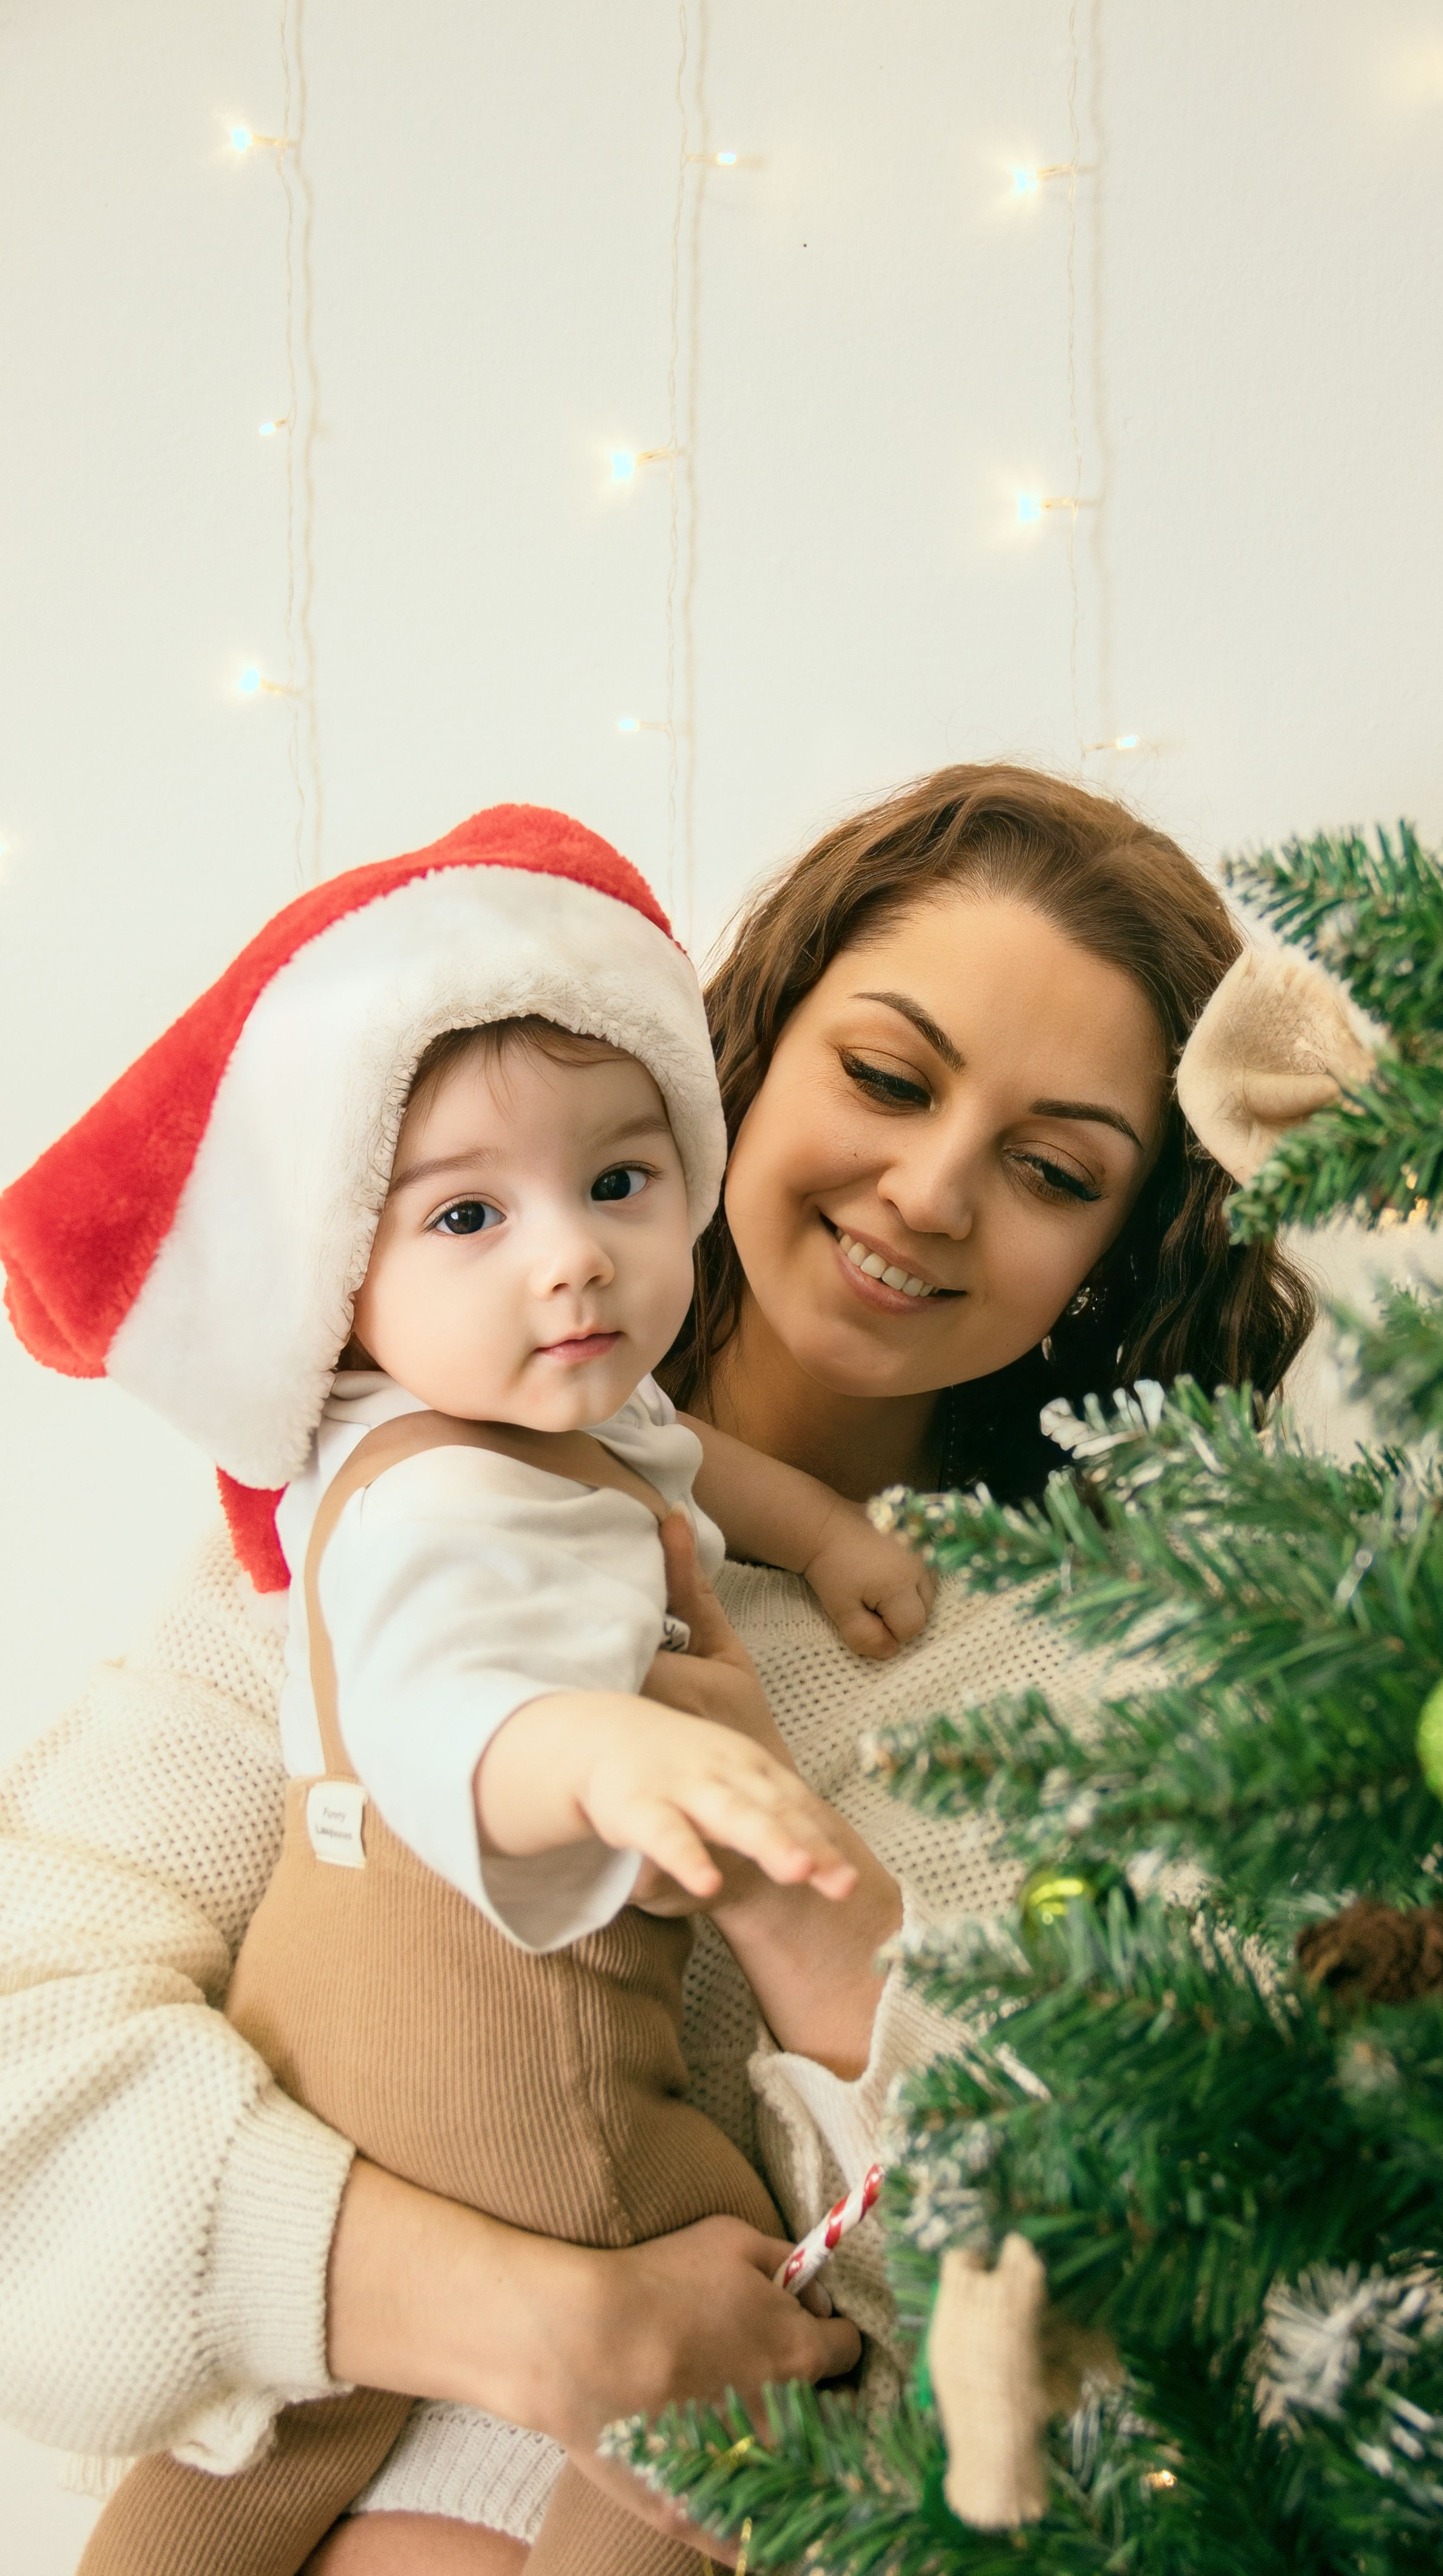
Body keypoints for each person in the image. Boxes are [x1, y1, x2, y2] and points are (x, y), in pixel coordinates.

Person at [0, 765, 1318, 2573]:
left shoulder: (1147, 1690)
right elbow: (30, 2055)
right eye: (887, 1075)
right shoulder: (381, 1519)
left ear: (1117, 1245)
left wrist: (817, 1928)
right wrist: (526, 2321)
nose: (932, 1191)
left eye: (1051, 1170)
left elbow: (1143, 2321)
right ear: (746, 1056)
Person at [0, 814, 937, 2575]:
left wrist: (827, 1548)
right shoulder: (423, 1494)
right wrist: (611, 1749)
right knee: (717, 2359)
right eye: (468, 1214)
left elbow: (698, 1472)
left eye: (616, 1186)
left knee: (266, 2466)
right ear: (343, 1282)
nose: (569, 1258)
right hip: (441, 2097)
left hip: (424, 2127)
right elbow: (438, 1705)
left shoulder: (606, 1423)